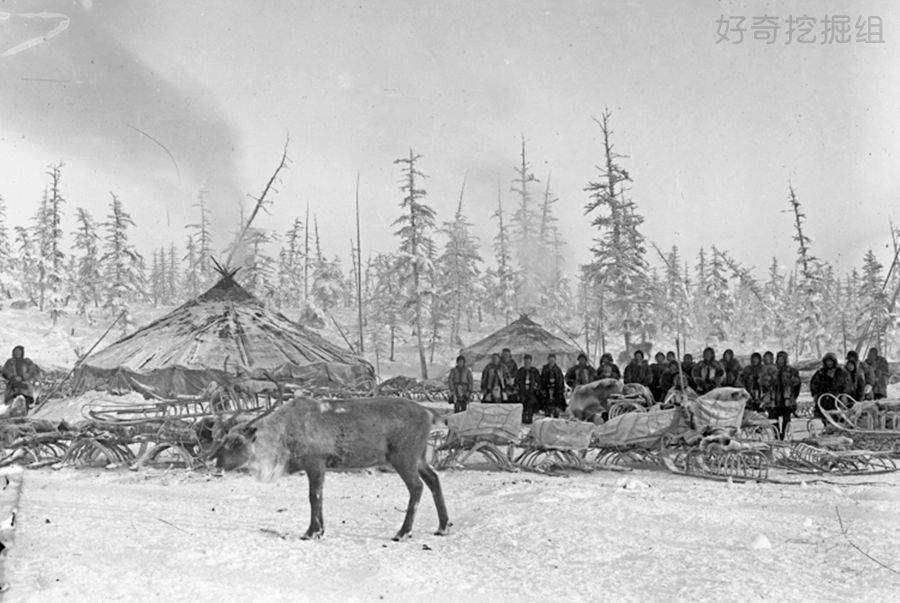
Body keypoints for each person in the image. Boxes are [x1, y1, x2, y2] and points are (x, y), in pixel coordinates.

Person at [809, 352, 851, 425]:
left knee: (839, 418)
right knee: (825, 417)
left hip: (837, 399)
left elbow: (847, 384)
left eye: (830, 361)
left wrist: (844, 395)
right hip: (823, 399)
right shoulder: (820, 373)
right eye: (827, 361)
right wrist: (815, 395)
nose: (829, 363)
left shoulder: (842, 372)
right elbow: (814, 384)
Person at [769, 351, 801, 440]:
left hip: (787, 399)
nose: (781, 361)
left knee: (786, 419)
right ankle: (776, 435)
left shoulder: (791, 370)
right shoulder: (772, 370)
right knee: (773, 419)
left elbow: (797, 384)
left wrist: (793, 396)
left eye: (783, 359)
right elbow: (766, 383)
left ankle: (783, 435)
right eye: (779, 359)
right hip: (774, 399)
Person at [515, 354, 542, 424]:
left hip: (531, 391)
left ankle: (529, 420)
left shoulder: (534, 371)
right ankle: (523, 420)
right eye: (526, 361)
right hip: (522, 391)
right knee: (523, 406)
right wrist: (517, 388)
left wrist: (537, 388)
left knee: (530, 406)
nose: (527, 363)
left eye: (528, 361)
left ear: (531, 362)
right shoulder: (520, 371)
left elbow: (539, 381)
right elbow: (516, 381)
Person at [541, 353, 566, 418]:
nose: (551, 361)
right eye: (550, 360)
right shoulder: (545, 369)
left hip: (556, 392)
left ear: (555, 360)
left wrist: (561, 390)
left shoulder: (558, 370)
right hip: (546, 392)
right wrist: (542, 389)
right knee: (547, 410)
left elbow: (561, 381)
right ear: (548, 360)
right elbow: (542, 380)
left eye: (552, 360)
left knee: (556, 411)